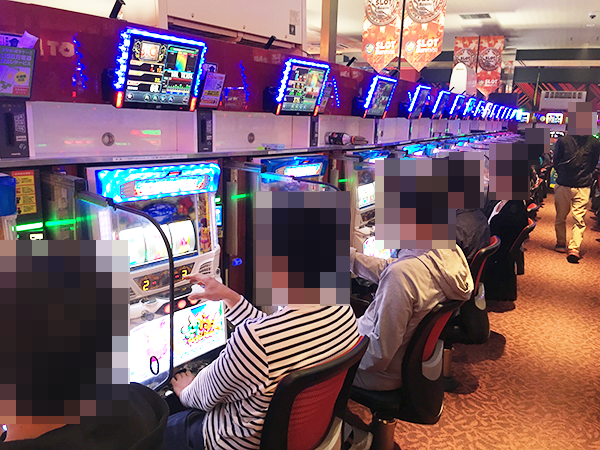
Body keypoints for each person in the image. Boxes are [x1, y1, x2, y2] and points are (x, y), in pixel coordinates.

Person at [165, 190, 361, 450]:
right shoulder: (342, 309)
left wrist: (185, 389)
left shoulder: (256, 342)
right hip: (305, 434)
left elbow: (203, 398)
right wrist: (230, 297)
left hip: (235, 442)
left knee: (161, 426)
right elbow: (279, 336)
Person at [553, 103, 600, 262]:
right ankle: (561, 242)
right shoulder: (564, 141)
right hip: (568, 184)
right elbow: (557, 162)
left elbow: (592, 163)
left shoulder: (594, 142)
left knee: (578, 219)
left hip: (579, 185)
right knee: (561, 216)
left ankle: (574, 247)